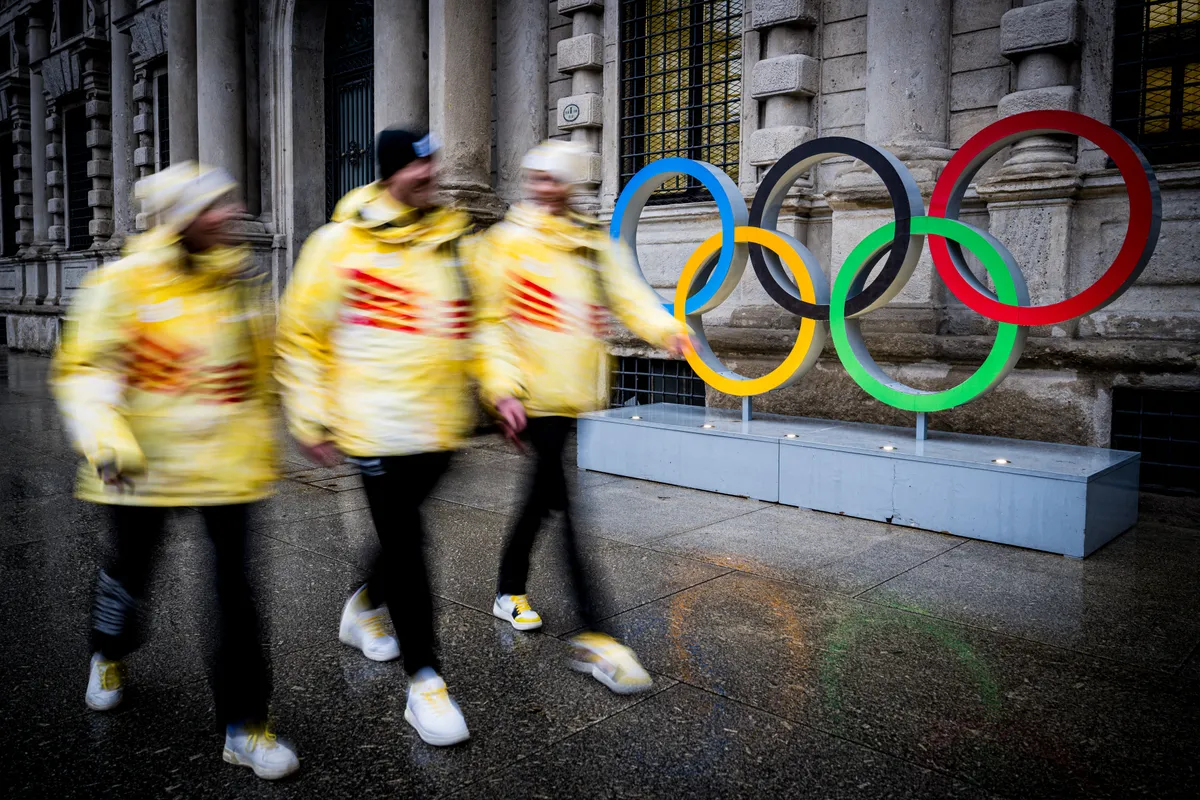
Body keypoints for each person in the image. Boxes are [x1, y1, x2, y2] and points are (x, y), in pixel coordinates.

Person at [276, 128, 525, 747]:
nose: (431, 172)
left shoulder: (451, 245)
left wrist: (501, 388)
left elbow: (484, 326)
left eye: (434, 161)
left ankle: (362, 606)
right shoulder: (337, 246)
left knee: (400, 529)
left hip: (438, 426)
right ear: (391, 173)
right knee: (411, 545)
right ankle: (425, 683)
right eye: (419, 164)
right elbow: (301, 336)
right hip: (374, 424)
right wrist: (309, 415)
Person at [51, 162, 299, 780]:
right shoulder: (124, 285)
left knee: (236, 598)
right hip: (142, 469)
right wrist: (106, 441)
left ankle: (245, 724)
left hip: (227, 468)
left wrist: (296, 426)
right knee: (128, 578)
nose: (229, 215)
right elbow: (86, 371)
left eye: (228, 203)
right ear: (183, 219)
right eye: (212, 208)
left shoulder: (241, 282)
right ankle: (109, 651)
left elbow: (264, 368)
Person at [471, 140, 692, 694]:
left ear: (571, 186)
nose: (543, 188)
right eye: (536, 178)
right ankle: (596, 633)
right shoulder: (507, 245)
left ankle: (506, 590)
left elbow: (628, 294)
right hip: (529, 398)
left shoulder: (590, 244)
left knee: (542, 498)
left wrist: (665, 329)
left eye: (554, 180)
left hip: (571, 393)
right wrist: (502, 389)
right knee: (566, 507)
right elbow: (490, 323)